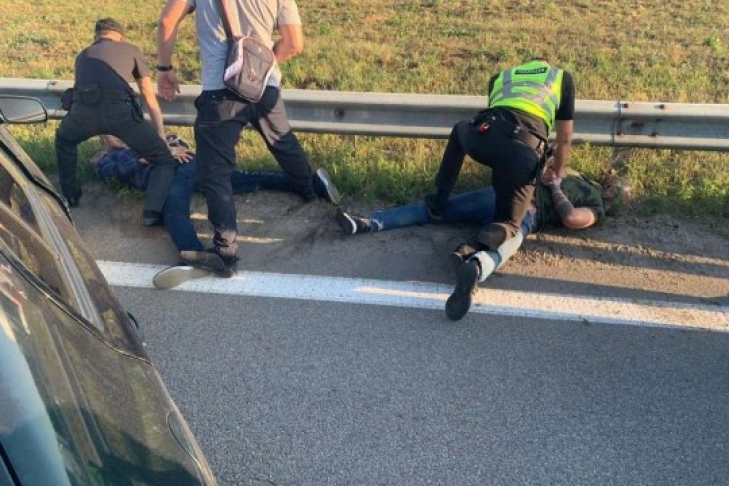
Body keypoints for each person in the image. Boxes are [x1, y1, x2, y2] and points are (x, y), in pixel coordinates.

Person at [336, 160, 631, 321]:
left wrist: (555, 187)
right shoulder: (579, 176)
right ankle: (474, 264)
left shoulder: (596, 206)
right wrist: (548, 173)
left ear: (611, 197)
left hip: (517, 204)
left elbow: (572, 218)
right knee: (499, 244)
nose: (612, 186)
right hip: (516, 203)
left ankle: (370, 223)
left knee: (443, 214)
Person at [156, 0, 318, 277]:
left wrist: (164, 68)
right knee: (283, 143)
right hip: (265, 87)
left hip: (220, 90)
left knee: (215, 172)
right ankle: (311, 194)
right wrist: (256, 67)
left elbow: (166, 22)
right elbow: (294, 44)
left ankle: (225, 251)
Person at [90, 135, 341, 273]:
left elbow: (179, 141)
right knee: (181, 207)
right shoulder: (111, 156)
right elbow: (106, 170)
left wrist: (170, 145)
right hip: (168, 175)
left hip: (187, 166)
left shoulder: (144, 135)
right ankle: (196, 254)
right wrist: (146, 158)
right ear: (105, 140)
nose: (119, 134)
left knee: (239, 180)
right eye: (112, 133)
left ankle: (314, 185)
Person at [55, 18, 181, 227]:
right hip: (121, 115)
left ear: (96, 36)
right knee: (164, 161)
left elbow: (92, 97)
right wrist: (160, 136)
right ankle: (152, 213)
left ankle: (71, 196)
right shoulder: (130, 50)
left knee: (64, 141)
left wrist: (110, 139)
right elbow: (148, 96)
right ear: (121, 37)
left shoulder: (82, 56)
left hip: (81, 115)